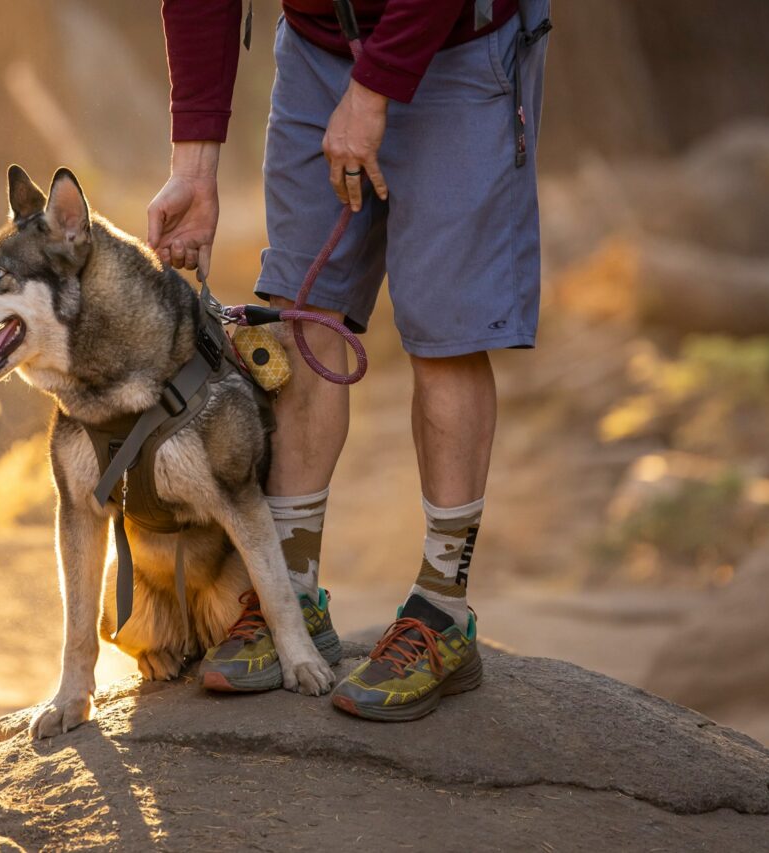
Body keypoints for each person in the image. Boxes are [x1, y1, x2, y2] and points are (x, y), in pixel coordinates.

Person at [148, 0, 550, 720]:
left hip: (460, 46)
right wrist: (194, 165)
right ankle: (291, 594)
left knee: (447, 336)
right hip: (317, 45)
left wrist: (373, 92)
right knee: (298, 319)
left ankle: (442, 611)